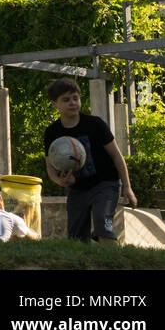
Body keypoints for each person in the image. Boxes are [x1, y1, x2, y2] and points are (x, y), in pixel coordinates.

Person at [43, 78, 135, 243]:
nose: (72, 103)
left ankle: (116, 262)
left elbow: (116, 155)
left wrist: (127, 187)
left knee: (103, 224)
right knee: (76, 239)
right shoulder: (52, 132)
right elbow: (50, 167)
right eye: (66, 99)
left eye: (75, 98)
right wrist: (60, 181)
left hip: (105, 184)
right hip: (77, 190)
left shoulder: (95, 124)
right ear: (54, 104)